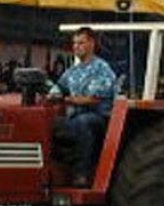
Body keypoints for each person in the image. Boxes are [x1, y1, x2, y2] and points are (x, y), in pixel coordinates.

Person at [48, 27, 116, 187]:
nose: (76, 47)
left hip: (100, 118)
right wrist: (48, 93)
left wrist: (66, 99)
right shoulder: (72, 71)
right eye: (74, 43)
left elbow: (92, 99)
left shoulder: (102, 69)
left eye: (80, 43)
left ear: (92, 44)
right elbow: (57, 89)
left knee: (83, 122)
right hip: (74, 117)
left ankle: (82, 174)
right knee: (51, 123)